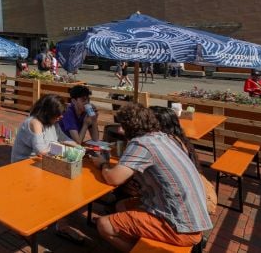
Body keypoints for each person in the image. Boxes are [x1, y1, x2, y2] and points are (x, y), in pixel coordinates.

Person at [90, 103, 211, 251]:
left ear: (132, 126)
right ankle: (136, 237)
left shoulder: (141, 143)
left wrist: (103, 164)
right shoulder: (165, 137)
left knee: (104, 225)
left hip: (180, 226)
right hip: (194, 217)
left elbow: (114, 178)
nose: (120, 130)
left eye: (122, 125)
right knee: (121, 206)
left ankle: (140, 249)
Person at [11, 95, 84, 244]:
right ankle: (29, 223)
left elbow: (62, 137)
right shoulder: (35, 123)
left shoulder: (52, 122)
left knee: (69, 184)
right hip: (25, 166)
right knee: (63, 185)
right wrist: (68, 153)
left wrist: (79, 147)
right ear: (47, 112)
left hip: (42, 164)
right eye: (58, 114)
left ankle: (61, 225)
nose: (61, 117)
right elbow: (41, 150)